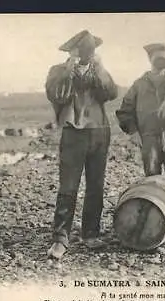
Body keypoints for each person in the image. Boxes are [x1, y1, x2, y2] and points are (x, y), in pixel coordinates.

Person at [45, 30, 118, 259]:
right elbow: (56, 94)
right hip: (72, 133)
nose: (87, 54)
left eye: (91, 50)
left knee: (95, 185)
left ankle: (91, 234)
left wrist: (101, 69)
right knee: (68, 187)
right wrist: (69, 71)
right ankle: (60, 238)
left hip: (98, 131)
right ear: (72, 51)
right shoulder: (58, 71)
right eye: (83, 50)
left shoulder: (99, 72)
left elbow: (111, 93)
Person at [115, 43, 165, 181]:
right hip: (148, 136)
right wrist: (133, 132)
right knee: (151, 178)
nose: (161, 61)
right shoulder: (139, 84)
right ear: (150, 59)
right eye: (157, 57)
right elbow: (125, 111)